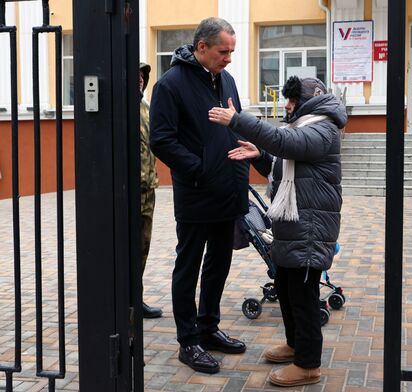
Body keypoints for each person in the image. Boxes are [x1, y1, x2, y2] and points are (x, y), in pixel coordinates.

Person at [209, 76, 347, 387]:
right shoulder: (304, 126)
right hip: (293, 225)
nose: (287, 105)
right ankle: (295, 345)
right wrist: (260, 156)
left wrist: (238, 121)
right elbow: (284, 163)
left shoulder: (323, 128)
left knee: (304, 297)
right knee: (286, 288)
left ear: (311, 100)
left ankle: (308, 364)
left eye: (292, 100)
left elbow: (287, 145)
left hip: (310, 227)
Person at [149, 17, 248, 374]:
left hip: (228, 191)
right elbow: (161, 139)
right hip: (196, 193)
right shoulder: (170, 85)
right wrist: (199, 169)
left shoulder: (227, 80)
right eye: (224, 51)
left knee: (219, 264)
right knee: (188, 266)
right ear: (201, 47)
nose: (229, 59)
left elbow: (234, 123)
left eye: (232, 51)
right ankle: (188, 340)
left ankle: (208, 328)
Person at [139, 62, 163, 319]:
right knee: (126, 248)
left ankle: (136, 297)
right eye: (135, 75)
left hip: (148, 190)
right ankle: (123, 301)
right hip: (128, 191)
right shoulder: (119, 110)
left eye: (143, 76)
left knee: (142, 247)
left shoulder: (146, 108)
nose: (140, 80)